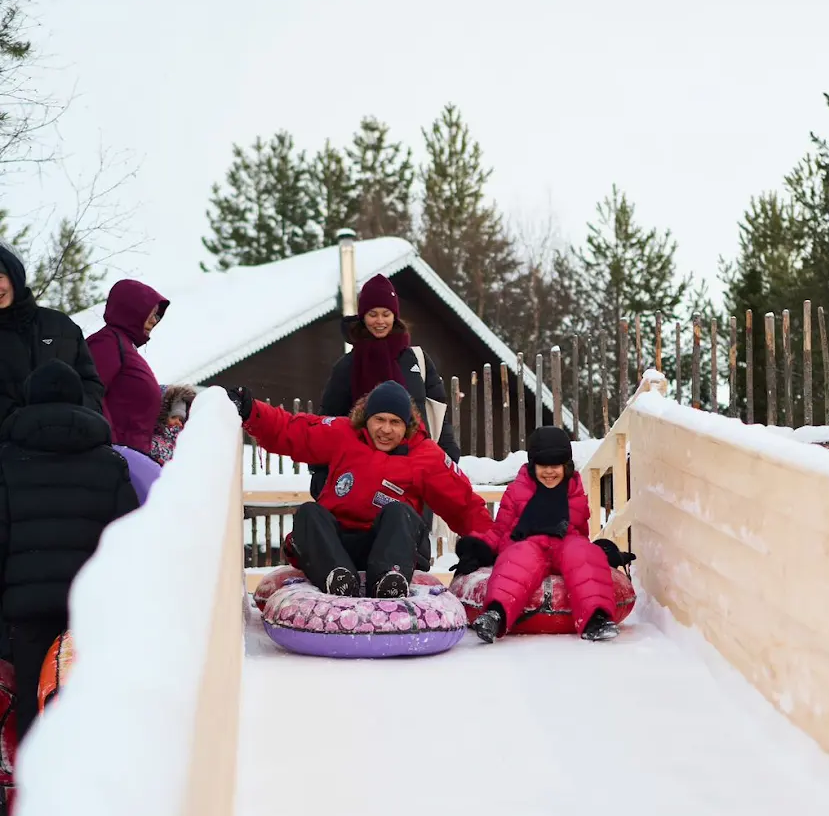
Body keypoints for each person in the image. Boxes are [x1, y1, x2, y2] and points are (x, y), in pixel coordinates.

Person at [227, 379, 491, 598]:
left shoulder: (426, 456)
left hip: (391, 547)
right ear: (367, 419)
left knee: (399, 512)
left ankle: (390, 581)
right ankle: (338, 578)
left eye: (395, 422)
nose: (385, 430)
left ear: (407, 425)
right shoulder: (344, 435)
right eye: (379, 420)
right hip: (339, 546)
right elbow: (293, 431)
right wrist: (251, 410)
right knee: (309, 512)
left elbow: (464, 503)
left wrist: (489, 546)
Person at [0, 360, 138, 741]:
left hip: (27, 618)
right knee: (91, 706)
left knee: (33, 709)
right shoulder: (110, 464)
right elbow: (129, 545)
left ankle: (37, 793)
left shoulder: (7, 462)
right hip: (91, 613)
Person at [455, 425, 620, 643]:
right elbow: (500, 529)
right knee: (516, 557)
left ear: (566, 466)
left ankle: (596, 617)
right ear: (533, 465)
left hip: (565, 543)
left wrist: (602, 552)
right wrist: (478, 550)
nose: (549, 472)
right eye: (543, 465)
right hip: (528, 542)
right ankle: (496, 614)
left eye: (556, 466)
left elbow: (580, 531)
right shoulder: (517, 490)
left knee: (583, 552)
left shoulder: (575, 490)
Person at [310, 273, 460, 498]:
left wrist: (449, 457)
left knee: (412, 528)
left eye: (386, 314)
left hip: (413, 470)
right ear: (363, 317)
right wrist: (320, 471)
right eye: (372, 314)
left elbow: (437, 412)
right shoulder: (348, 366)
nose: (380, 321)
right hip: (362, 473)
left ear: (395, 316)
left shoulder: (416, 360)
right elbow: (329, 420)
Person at [0, 239, 103, 428]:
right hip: (10, 450)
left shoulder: (61, 326)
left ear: (15, 276)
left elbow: (91, 385)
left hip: (71, 444)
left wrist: (74, 415)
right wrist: (20, 423)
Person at [86, 279, 169, 501]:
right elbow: (91, 395)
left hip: (130, 457)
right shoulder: (105, 343)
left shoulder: (123, 345)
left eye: (157, 315)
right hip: (118, 461)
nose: (155, 321)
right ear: (131, 310)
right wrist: (109, 448)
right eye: (150, 313)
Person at [150, 383, 197, 467]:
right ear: (164, 416)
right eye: (174, 417)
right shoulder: (152, 442)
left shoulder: (184, 443)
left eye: (181, 420)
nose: (178, 422)